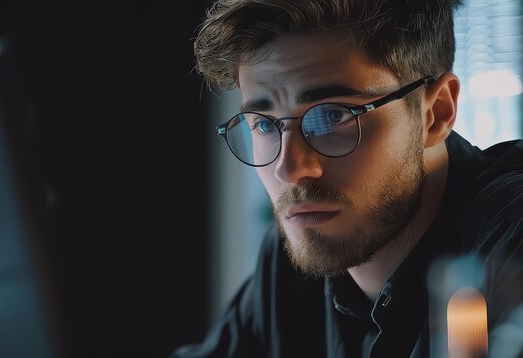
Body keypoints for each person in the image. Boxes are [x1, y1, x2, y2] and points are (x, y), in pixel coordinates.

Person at [170, 0, 523, 357]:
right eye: (264, 124)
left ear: (436, 113)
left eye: (333, 116)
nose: (289, 170)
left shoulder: (510, 239)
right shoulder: (298, 247)